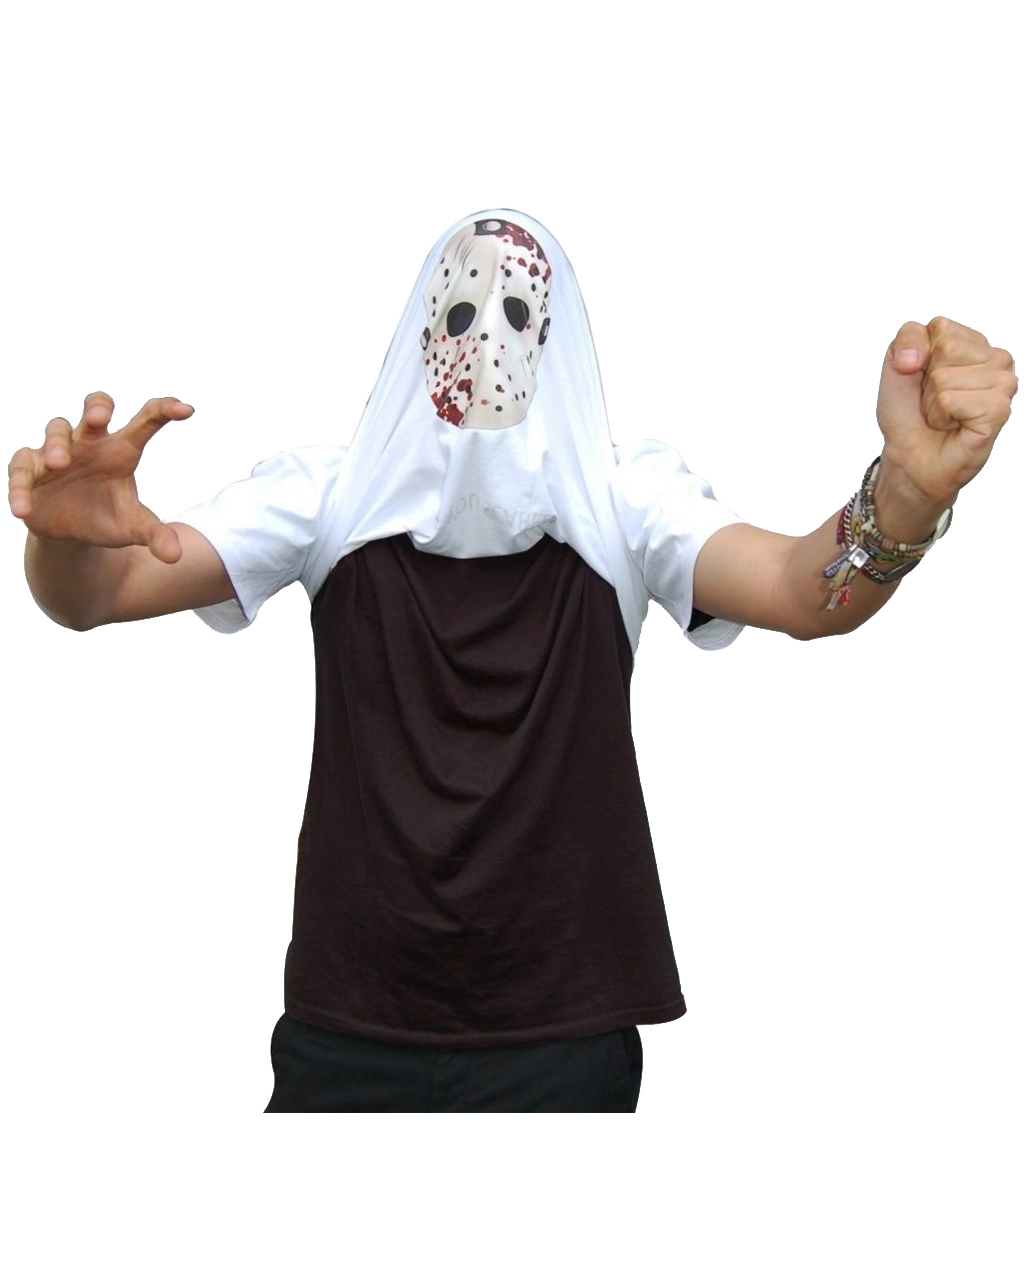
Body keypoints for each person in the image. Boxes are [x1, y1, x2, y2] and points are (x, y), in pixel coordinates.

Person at [8, 209, 1017, 1113]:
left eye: (518, 316)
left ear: (557, 339)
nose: (485, 344)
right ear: (419, 334)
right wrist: (62, 540)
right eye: (458, 314)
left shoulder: (627, 504)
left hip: (563, 1033)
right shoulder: (325, 501)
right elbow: (98, 595)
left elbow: (804, 591)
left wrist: (907, 495)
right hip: (351, 1020)